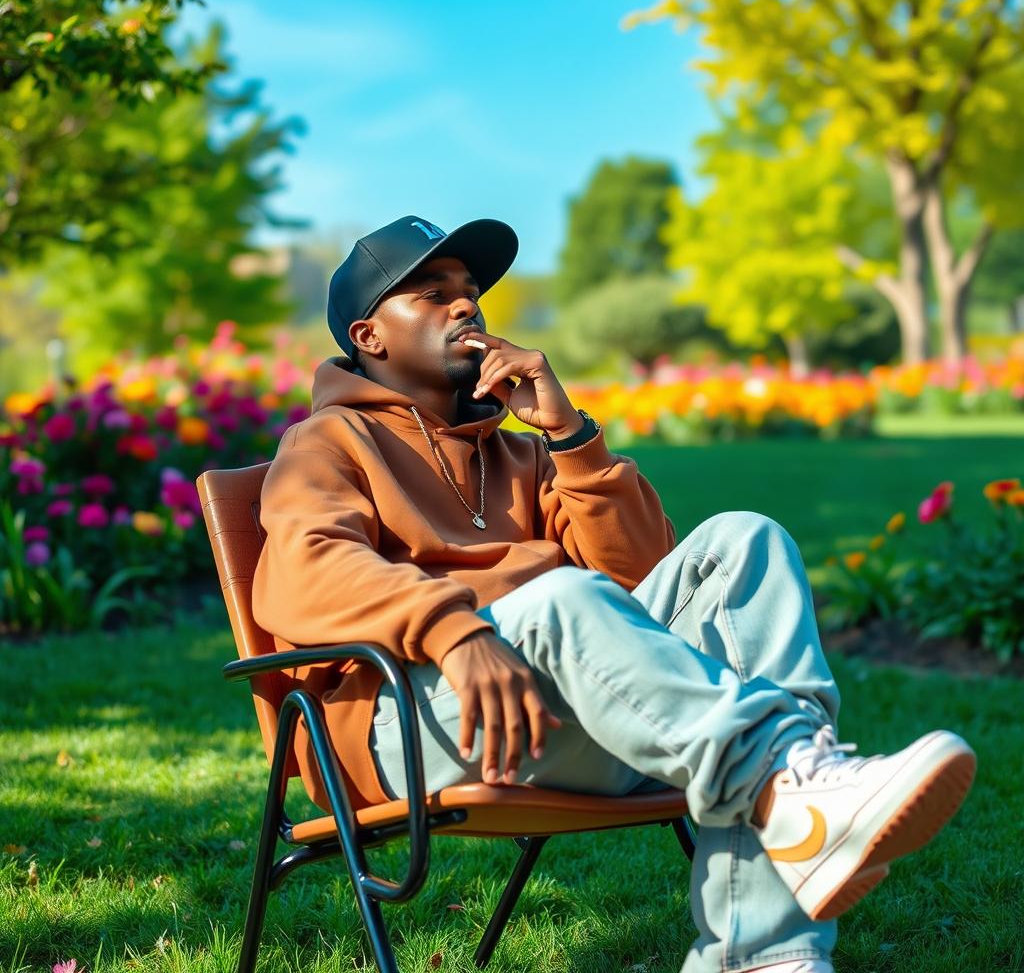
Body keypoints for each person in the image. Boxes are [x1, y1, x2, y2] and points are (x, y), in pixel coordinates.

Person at [251, 214, 976, 973]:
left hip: (590, 703)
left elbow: (638, 579)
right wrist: (454, 631)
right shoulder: (324, 444)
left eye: (471, 293)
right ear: (369, 337)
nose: (467, 307)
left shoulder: (524, 457)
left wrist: (570, 437)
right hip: (415, 722)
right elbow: (308, 566)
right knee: (560, 596)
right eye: (432, 295)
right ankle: (795, 782)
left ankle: (764, 945)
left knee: (744, 540)